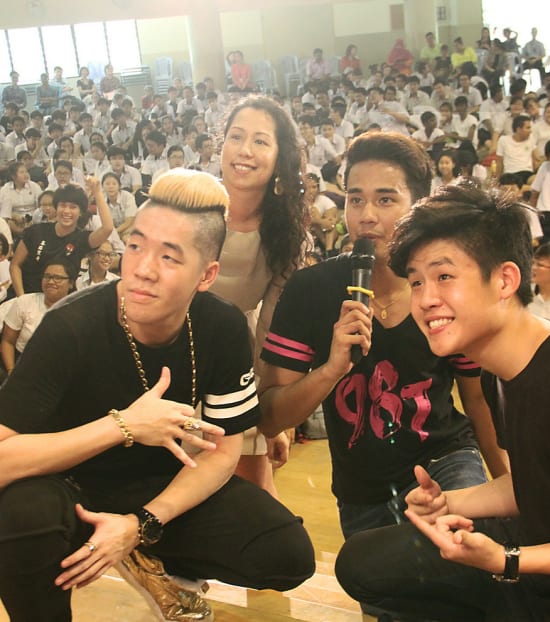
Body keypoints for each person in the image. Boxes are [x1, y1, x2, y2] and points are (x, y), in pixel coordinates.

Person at [335, 182, 550, 621]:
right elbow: (540, 484)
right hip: (539, 555)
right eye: (416, 282)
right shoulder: (500, 367)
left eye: (444, 277)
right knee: (362, 562)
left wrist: (506, 559)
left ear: (505, 279)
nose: (425, 300)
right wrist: (450, 503)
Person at [0, 169, 315, 622]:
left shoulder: (222, 327)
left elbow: (224, 451)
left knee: (285, 553)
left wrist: (142, 524)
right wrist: (122, 425)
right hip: (64, 483)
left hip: (154, 484)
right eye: (135, 246)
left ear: (206, 275)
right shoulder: (70, 327)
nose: (142, 270)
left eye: (169, 257)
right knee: (23, 519)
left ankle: (153, 558)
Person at [258, 132, 508, 542]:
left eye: (386, 199)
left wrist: (513, 492)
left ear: (419, 207)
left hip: (445, 460)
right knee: (383, 593)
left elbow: (477, 399)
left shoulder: (446, 286)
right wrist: (331, 370)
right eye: (355, 199)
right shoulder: (310, 290)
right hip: (363, 490)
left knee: (461, 560)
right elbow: (270, 417)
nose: (367, 215)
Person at [210, 97, 308, 496]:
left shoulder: (287, 231)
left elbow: (270, 330)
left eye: (261, 141)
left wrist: (273, 419)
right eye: (236, 137)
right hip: (171, 357)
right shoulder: (189, 202)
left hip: (239, 363)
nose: (245, 151)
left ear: (280, 157)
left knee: (259, 502)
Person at [10, 179, 112, 297]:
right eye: (62, 205)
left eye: (73, 207)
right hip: (28, 295)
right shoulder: (36, 230)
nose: (66, 211)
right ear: (56, 208)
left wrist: (97, 192)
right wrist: (22, 298)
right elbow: (15, 265)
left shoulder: (82, 238)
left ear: (80, 212)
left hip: (62, 301)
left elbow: (107, 228)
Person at [1, 258, 76, 373]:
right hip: (21, 364)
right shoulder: (24, 302)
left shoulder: (76, 311)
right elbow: (8, 342)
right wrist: (12, 372)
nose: (51, 282)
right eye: (47, 276)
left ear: (71, 283)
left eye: (58, 278)